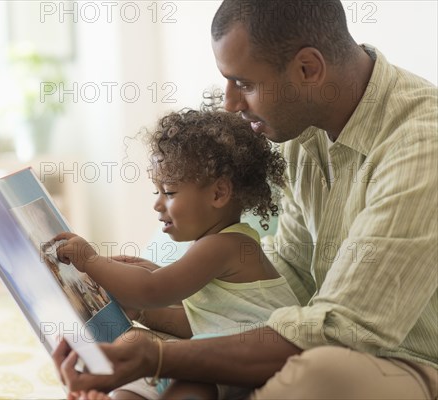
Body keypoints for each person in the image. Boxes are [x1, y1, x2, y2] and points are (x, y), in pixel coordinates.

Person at [54, 0, 438, 399]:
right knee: (144, 357)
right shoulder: (302, 133)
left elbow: (341, 332)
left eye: (245, 84)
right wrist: (195, 292)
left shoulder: (422, 146)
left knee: (318, 373)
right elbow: (290, 278)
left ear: (308, 68)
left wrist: (162, 357)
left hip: (411, 364)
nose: (231, 104)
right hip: (323, 345)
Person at [52, 108, 300, 399]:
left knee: (188, 382)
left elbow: (151, 290)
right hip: (221, 349)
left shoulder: (225, 246)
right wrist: (148, 285)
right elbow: (202, 316)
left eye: (169, 192)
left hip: (255, 360)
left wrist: (91, 261)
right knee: (138, 350)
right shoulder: (216, 245)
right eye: (157, 191)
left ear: (218, 194)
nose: (158, 204)